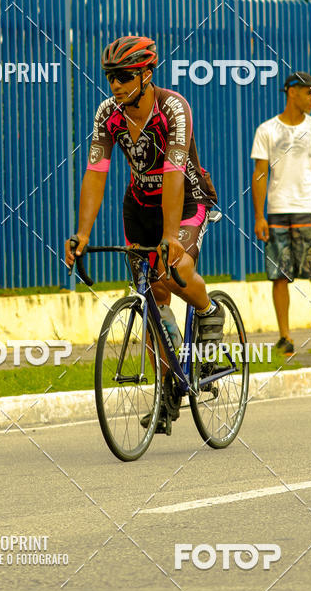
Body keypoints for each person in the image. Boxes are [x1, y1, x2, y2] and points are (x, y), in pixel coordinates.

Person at [65, 35, 223, 432]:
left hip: (187, 199)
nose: (115, 85)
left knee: (173, 270)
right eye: (110, 78)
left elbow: (173, 173)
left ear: (146, 73)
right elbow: (95, 173)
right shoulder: (108, 113)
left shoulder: (173, 108)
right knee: (152, 295)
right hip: (139, 206)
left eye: (123, 76)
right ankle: (167, 384)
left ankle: (207, 310)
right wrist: (82, 233)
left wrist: (171, 236)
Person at [250, 71, 311, 354]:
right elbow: (259, 174)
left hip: (310, 210)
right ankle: (285, 336)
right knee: (279, 275)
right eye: (309, 92)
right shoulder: (266, 130)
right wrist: (259, 216)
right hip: (278, 212)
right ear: (292, 91)